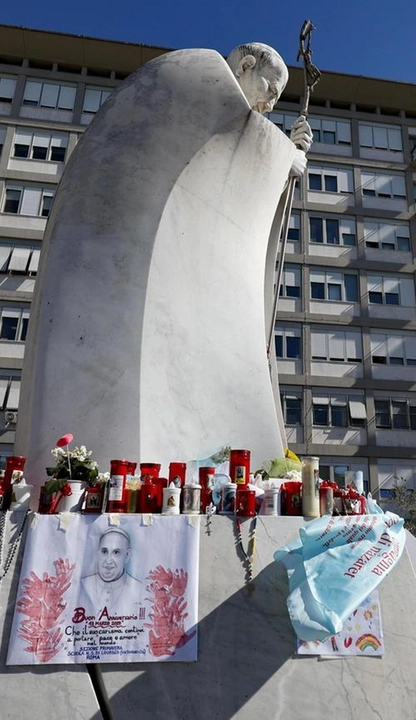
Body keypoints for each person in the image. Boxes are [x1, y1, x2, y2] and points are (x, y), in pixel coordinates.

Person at [18, 41, 312, 482]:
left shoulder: (238, 124)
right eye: (270, 88)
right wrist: (285, 155)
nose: (271, 102)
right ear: (245, 65)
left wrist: (287, 156)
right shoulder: (192, 77)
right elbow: (230, 135)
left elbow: (238, 187)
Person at [77, 526, 144, 617]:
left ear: (127, 556)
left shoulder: (141, 590)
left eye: (116, 552)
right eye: (104, 552)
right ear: (98, 553)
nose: (108, 561)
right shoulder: (81, 585)